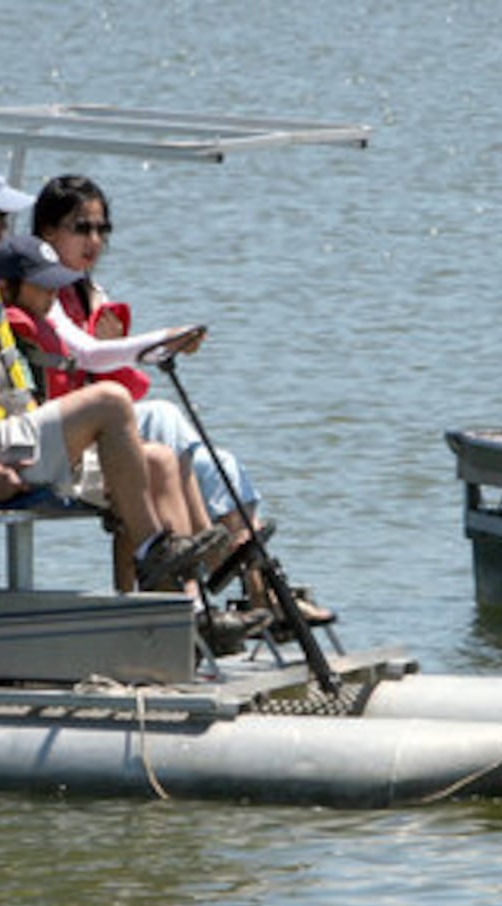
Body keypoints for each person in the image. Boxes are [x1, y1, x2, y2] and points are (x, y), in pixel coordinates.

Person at [0, 159, 220, 593]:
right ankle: (151, 552)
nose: (5, 231)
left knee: (160, 461)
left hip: (7, 441)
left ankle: (187, 621)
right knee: (109, 401)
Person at [31, 174, 335, 627]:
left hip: (106, 421)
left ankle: (257, 586)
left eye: (102, 229)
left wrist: (148, 348)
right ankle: (226, 574)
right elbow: (87, 354)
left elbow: (121, 373)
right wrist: (159, 340)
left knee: (224, 465)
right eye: (81, 228)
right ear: (47, 234)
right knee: (167, 418)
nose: (94, 240)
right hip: (73, 429)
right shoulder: (41, 289)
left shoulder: (89, 291)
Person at [0, 233, 270, 651]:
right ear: (6, 287)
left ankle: (195, 608)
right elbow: (82, 361)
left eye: (54, 285)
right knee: (153, 429)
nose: (52, 294)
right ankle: (191, 577)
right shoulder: (7, 325)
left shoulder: (44, 318)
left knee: (161, 458)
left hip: (63, 447)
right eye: (42, 285)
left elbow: (85, 355)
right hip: (31, 454)